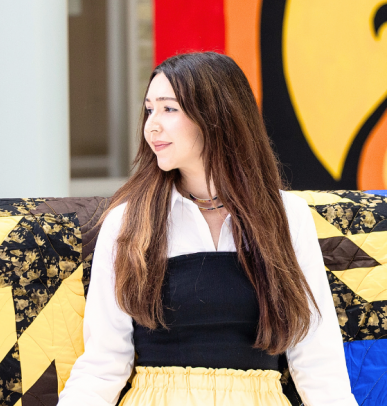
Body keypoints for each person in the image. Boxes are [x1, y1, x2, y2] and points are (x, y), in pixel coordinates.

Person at [59, 53, 357, 405]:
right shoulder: (129, 222)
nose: (152, 125)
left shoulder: (286, 216)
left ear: (216, 116)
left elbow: (318, 361)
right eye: (149, 110)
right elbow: (103, 365)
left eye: (169, 109)